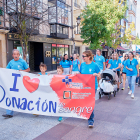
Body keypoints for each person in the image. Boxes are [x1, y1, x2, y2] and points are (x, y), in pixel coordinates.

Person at [2, 49, 30, 118]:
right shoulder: (10, 62)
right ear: (12, 55)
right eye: (14, 54)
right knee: (11, 96)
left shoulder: (23, 61)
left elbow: (28, 69)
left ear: (19, 55)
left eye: (17, 54)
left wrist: (23, 71)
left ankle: (31, 109)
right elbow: (6, 71)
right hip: (13, 84)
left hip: (22, 83)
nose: (16, 55)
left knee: (24, 96)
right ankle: (9, 113)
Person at [79, 50, 100, 128]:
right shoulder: (82, 65)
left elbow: (99, 74)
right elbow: (80, 74)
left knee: (90, 103)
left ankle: (91, 120)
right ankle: (86, 114)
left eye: (84, 56)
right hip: (84, 86)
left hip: (92, 87)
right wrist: (76, 74)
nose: (82, 58)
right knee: (84, 101)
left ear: (89, 57)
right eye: (82, 56)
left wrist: (96, 74)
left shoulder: (95, 65)